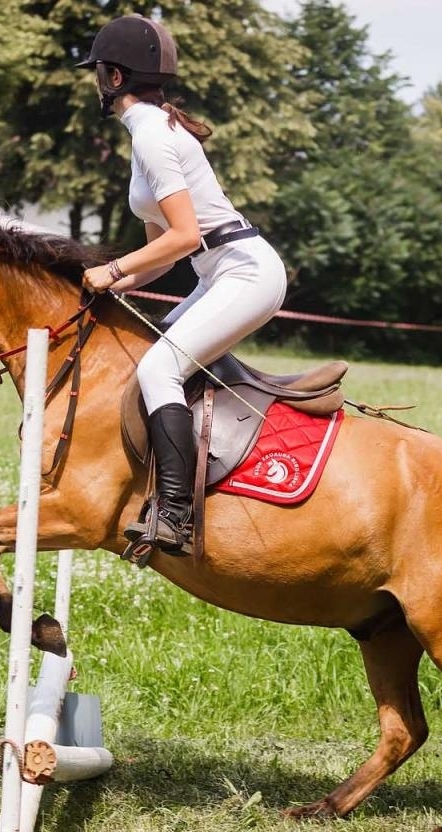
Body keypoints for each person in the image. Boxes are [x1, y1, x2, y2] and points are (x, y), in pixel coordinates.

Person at [76, 14, 287, 557]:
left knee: (158, 367)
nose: (96, 81)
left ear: (115, 78)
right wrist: (108, 285)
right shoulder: (145, 133)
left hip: (246, 271)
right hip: (219, 272)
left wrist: (114, 271)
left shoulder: (151, 134)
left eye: (99, 71)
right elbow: (163, 256)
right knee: (146, 361)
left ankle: (176, 514)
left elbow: (185, 235)